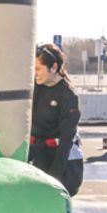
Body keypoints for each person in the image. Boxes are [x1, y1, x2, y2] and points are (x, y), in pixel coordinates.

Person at [30, 44, 83, 196]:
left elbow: (66, 143)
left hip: (58, 158)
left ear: (53, 67)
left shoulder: (68, 96)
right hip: (37, 155)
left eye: (38, 69)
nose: (35, 74)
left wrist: (54, 180)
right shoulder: (36, 86)